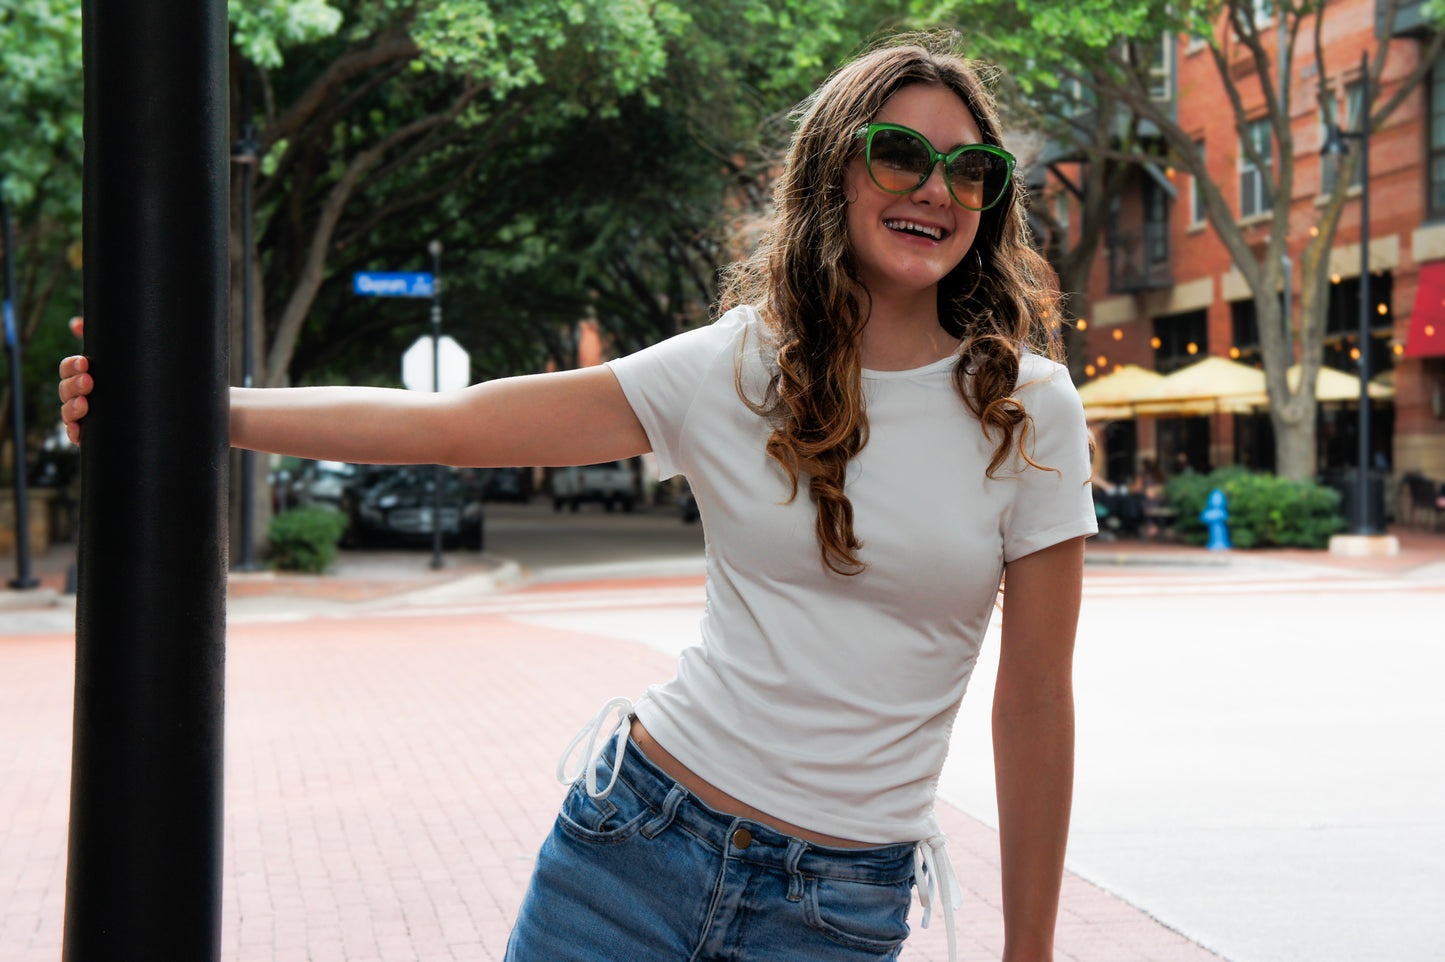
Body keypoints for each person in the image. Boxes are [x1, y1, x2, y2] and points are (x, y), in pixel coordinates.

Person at [59, 36, 1095, 962]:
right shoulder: (732, 367)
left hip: (834, 906)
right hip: (636, 846)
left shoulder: (1027, 409)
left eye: (971, 170)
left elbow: (1035, 698)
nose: (936, 189)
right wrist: (184, 405)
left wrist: (1031, 946)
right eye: (899, 154)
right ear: (837, 169)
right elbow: (450, 424)